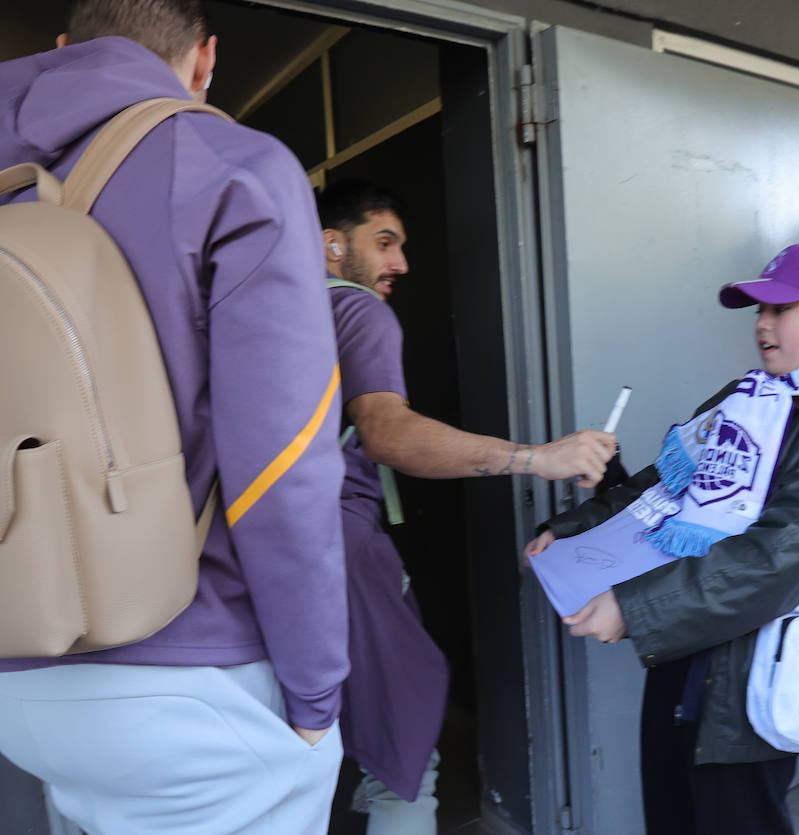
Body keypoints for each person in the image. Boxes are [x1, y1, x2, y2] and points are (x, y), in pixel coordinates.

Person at [0, 2, 350, 832]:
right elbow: (284, 465)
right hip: (194, 675)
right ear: (205, 60)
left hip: (18, 671)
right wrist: (315, 691)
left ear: (62, 54)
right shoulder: (235, 167)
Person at [525, 242, 799, 835]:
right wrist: (569, 530)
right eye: (757, 311)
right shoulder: (746, 399)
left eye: (780, 309)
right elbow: (660, 492)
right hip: (680, 651)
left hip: (751, 681)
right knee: (669, 814)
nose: (762, 325)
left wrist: (637, 607)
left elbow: (774, 558)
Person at [317, 179, 617, 833]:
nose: (400, 264)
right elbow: (387, 434)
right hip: (334, 547)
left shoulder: (254, 314)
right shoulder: (357, 311)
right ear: (330, 245)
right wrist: (540, 457)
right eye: (385, 242)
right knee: (405, 749)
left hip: (249, 551)